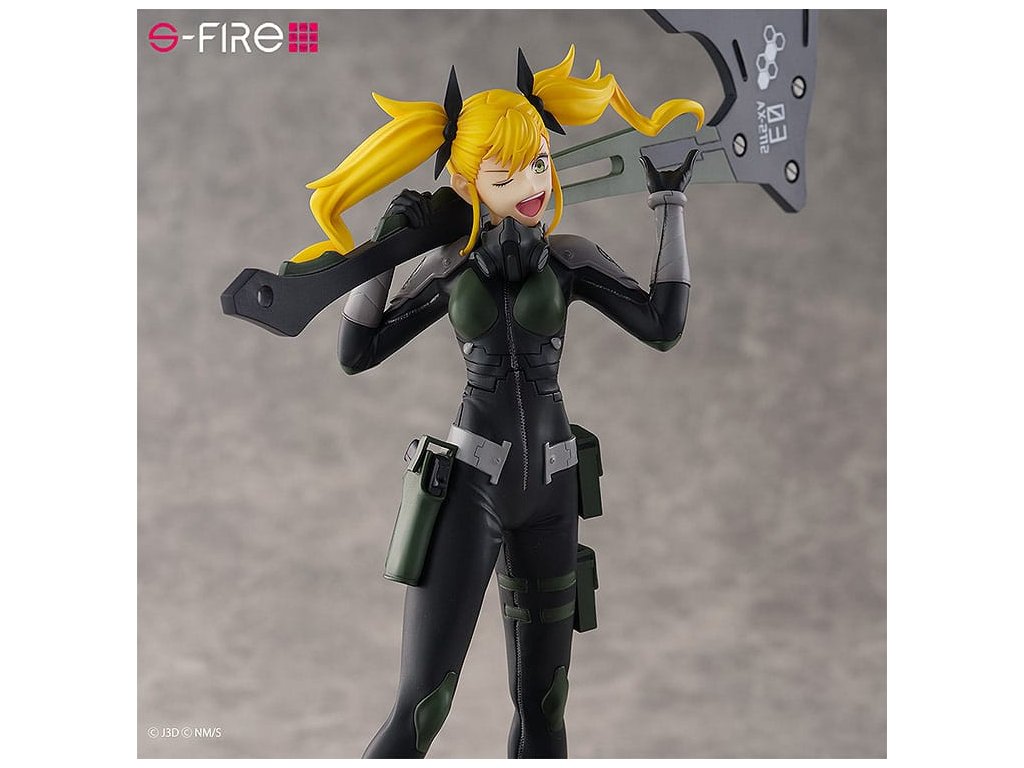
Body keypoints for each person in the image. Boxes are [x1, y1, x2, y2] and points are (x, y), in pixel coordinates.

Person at [292, 45, 703, 759]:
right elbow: (357, 351)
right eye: (505, 173)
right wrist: (385, 256)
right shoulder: (452, 267)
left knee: (546, 705)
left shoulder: (568, 257)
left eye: (538, 162)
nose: (531, 184)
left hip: (553, 485)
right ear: (467, 182)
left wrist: (669, 204)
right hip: (471, 485)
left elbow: (662, 326)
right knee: (423, 705)